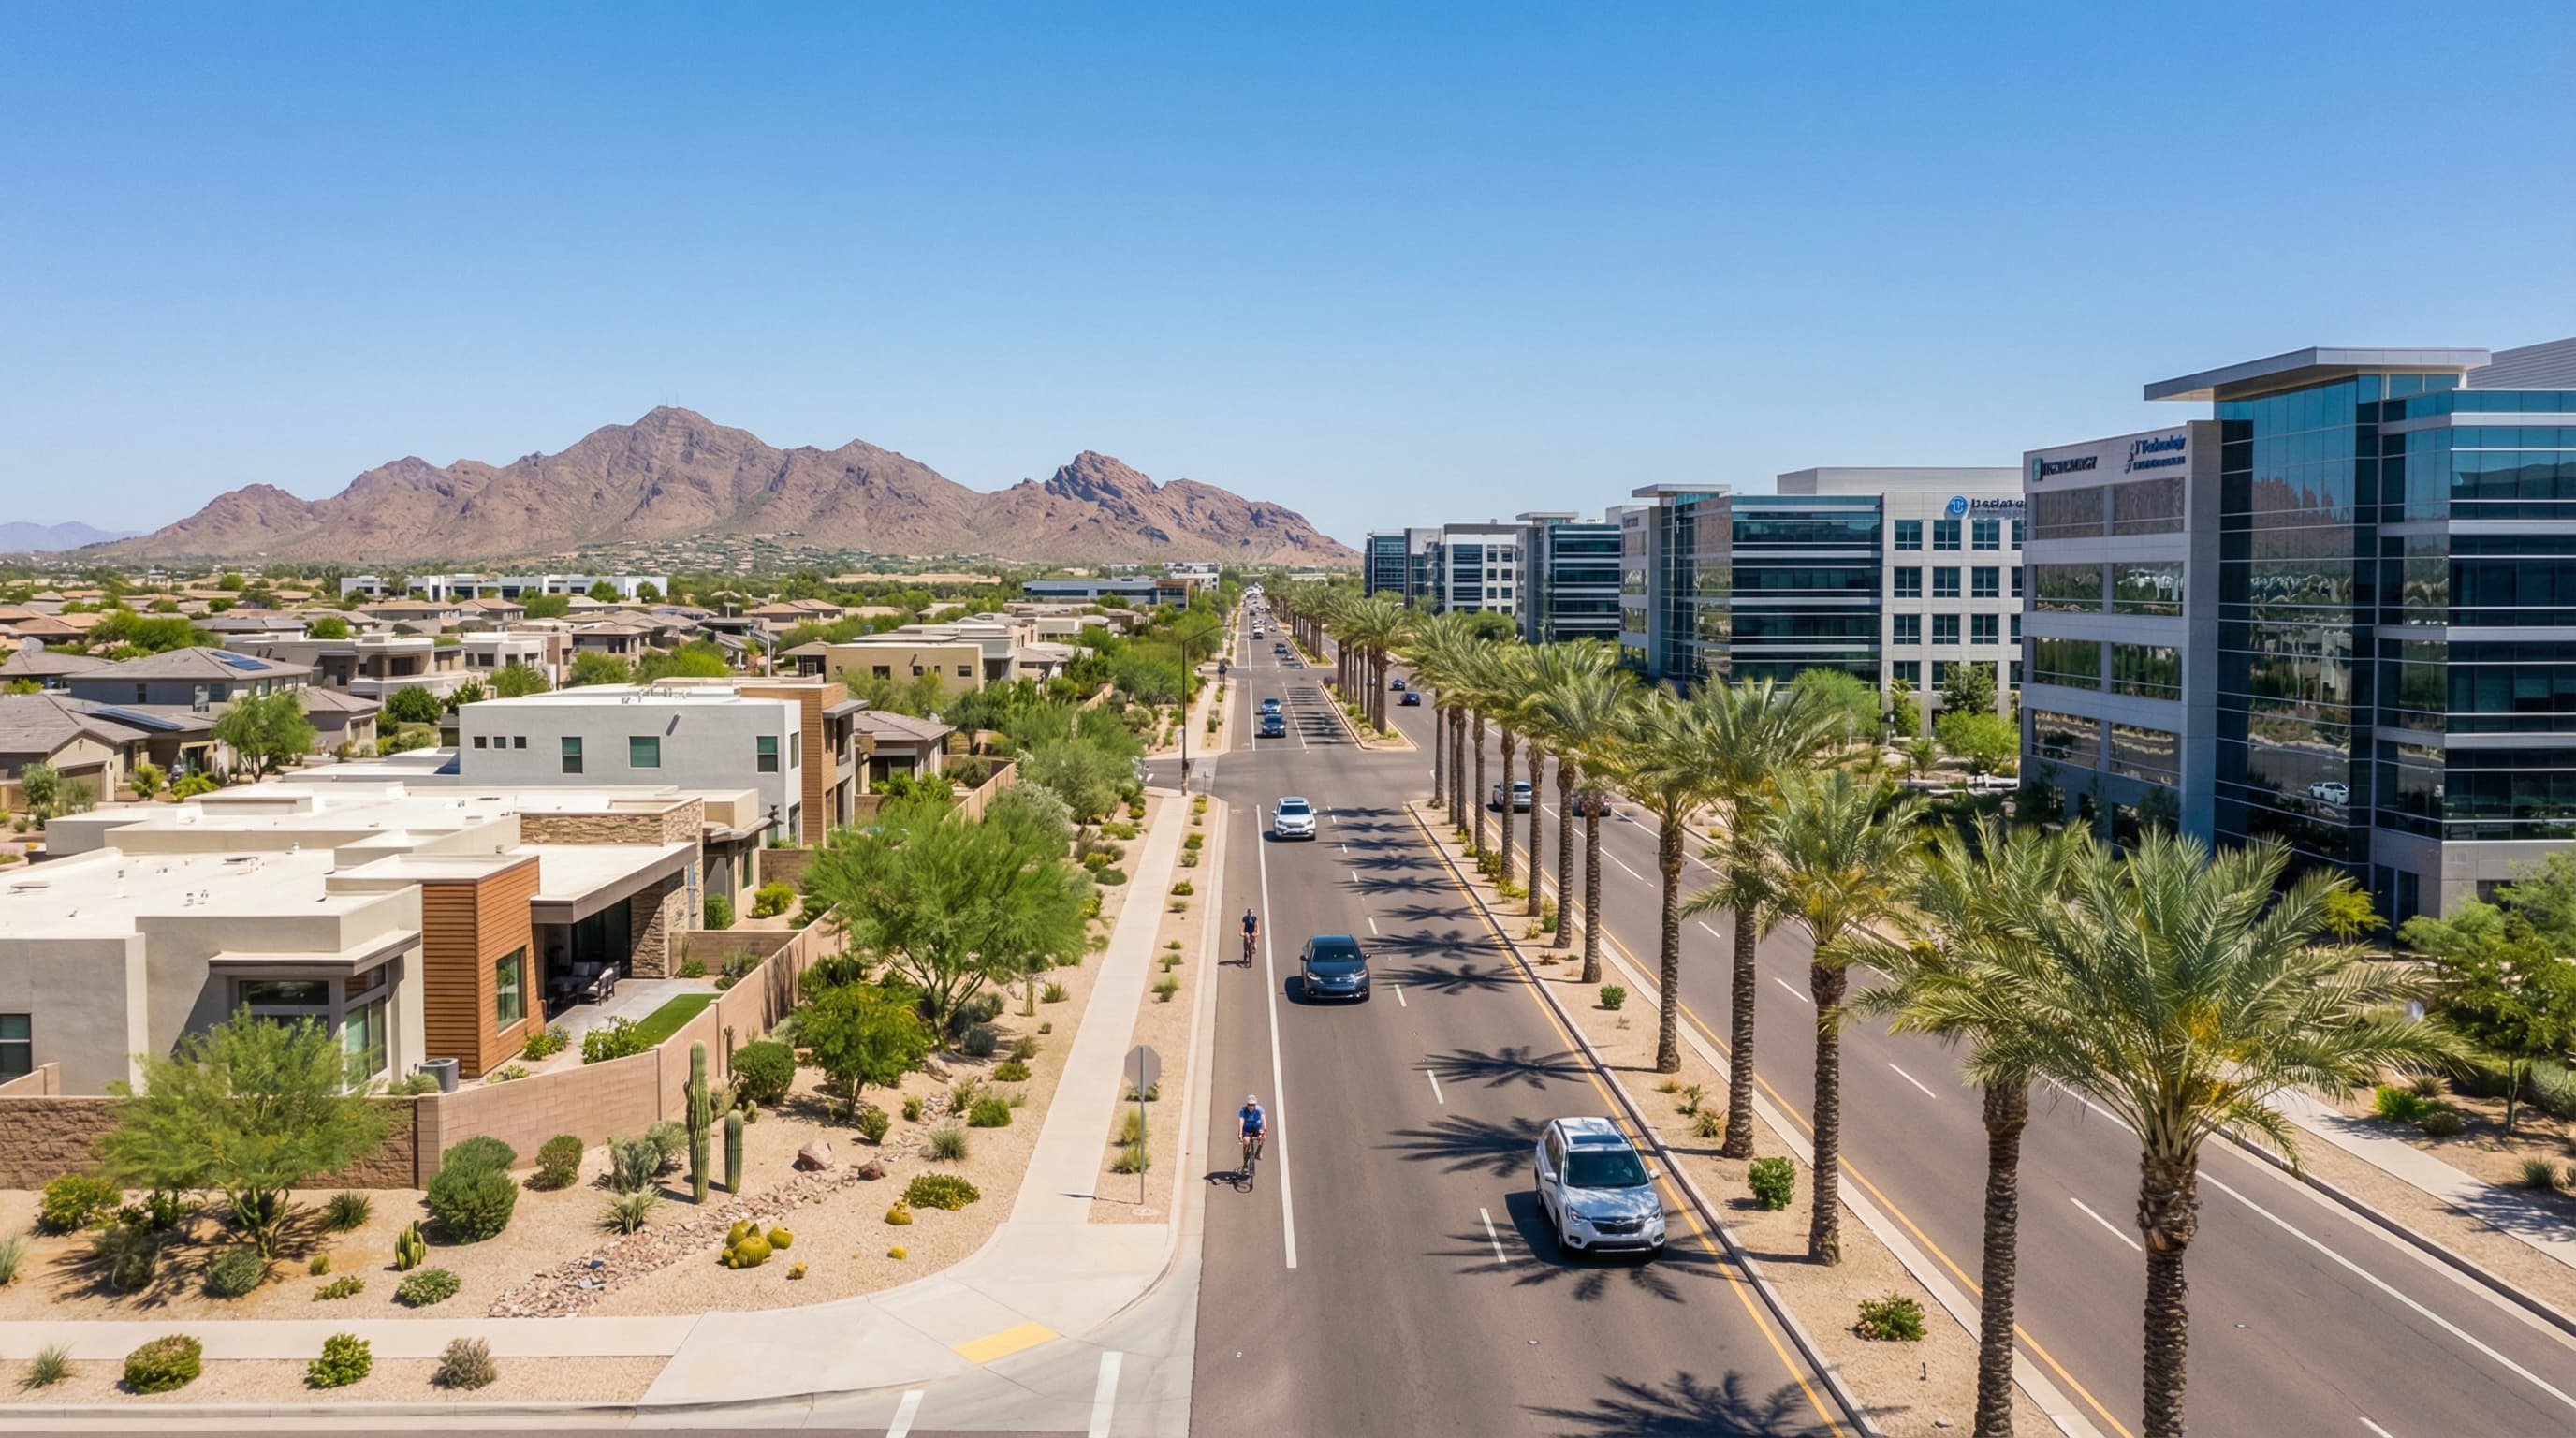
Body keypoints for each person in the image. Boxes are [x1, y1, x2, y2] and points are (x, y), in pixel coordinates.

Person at [1238, 1094, 1267, 1168]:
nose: (1251, 1107)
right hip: (1247, 1129)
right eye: (1249, 1105)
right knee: (1246, 1141)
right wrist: (1240, 1133)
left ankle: (1258, 1152)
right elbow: (1241, 1121)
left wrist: (1264, 1128)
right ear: (1247, 1104)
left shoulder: (1259, 1109)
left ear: (1255, 1105)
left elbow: (1263, 1119)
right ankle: (1245, 1162)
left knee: (1263, 1137)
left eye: (1253, 1105)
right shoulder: (1243, 1110)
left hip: (1256, 1128)